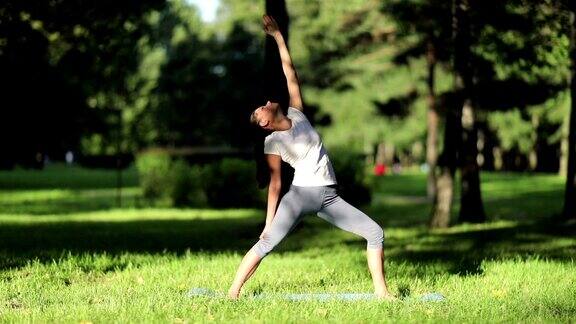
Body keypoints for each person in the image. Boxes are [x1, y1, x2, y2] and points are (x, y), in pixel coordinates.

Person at [227, 15, 395, 300]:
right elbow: (276, 184)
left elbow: (290, 73)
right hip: (300, 197)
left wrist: (278, 37)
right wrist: (269, 221)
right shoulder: (273, 141)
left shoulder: (297, 113)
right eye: (261, 109)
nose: (267, 102)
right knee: (266, 242)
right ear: (265, 123)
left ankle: (382, 292)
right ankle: (233, 291)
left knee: (375, 232)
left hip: (329, 196)